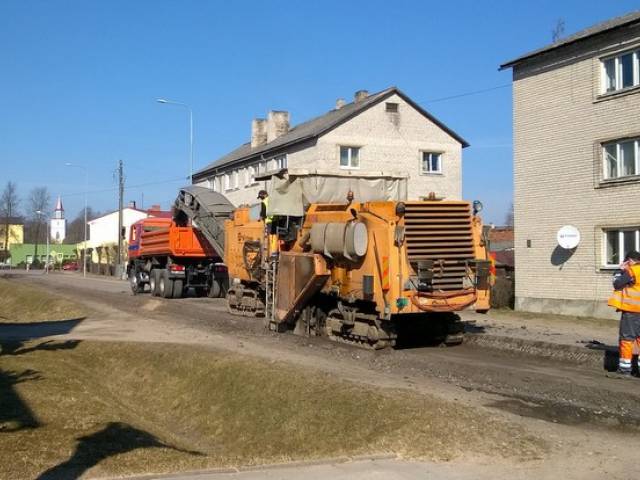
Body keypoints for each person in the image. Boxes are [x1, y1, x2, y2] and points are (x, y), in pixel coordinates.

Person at [607, 250, 640, 378]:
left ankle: (625, 369)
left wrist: (620, 270)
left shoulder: (631, 271)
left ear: (629, 260)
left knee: (627, 339)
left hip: (632, 311)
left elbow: (617, 284)